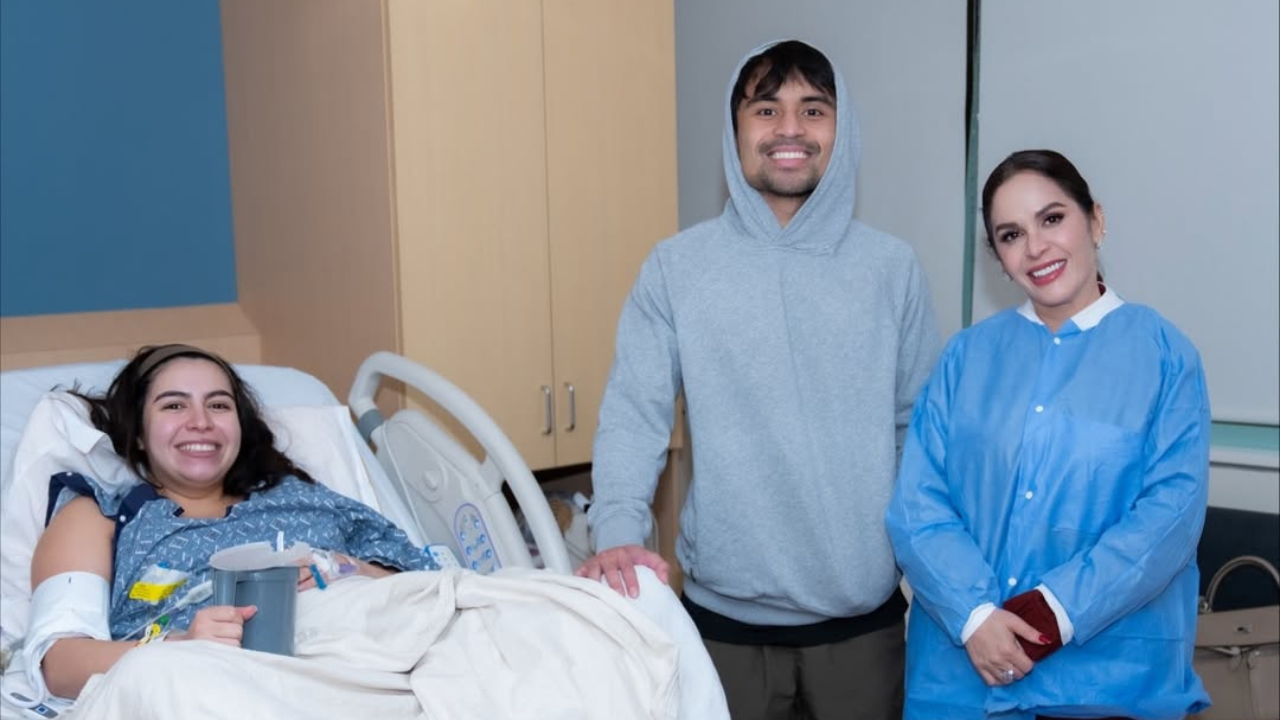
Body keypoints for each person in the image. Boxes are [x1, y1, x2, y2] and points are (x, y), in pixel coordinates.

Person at [577, 40, 940, 719]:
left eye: (814, 110)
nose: (789, 129)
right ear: (736, 128)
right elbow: (633, 417)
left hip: (862, 629)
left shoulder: (892, 270)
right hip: (722, 630)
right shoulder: (677, 268)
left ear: (842, 129)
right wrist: (619, 531)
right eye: (766, 110)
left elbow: (917, 432)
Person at [885, 149, 1211, 720]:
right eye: (1011, 235)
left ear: (1096, 220)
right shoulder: (965, 357)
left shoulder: (1165, 355)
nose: (1035, 247)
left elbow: (1170, 516)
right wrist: (974, 617)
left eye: (1052, 219)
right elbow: (917, 506)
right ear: (998, 257)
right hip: (960, 681)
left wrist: (1052, 612)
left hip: (1107, 684)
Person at [25, 344, 434, 701]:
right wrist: (182, 645)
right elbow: (61, 667)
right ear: (138, 434)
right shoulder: (103, 516)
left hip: (371, 663)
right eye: (173, 405)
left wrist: (347, 568)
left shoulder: (304, 498)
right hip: (220, 686)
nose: (200, 421)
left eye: (219, 405)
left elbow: (429, 587)